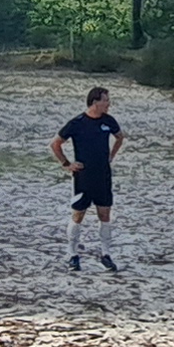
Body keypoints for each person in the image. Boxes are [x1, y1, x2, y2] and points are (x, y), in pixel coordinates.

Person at [53, 90, 123, 272]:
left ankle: (106, 254)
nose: (109, 104)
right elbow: (56, 144)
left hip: (103, 175)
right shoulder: (77, 123)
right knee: (78, 214)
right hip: (83, 177)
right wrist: (67, 163)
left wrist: (111, 156)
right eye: (106, 100)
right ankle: (72, 254)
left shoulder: (108, 121)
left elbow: (120, 137)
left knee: (105, 214)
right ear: (95, 102)